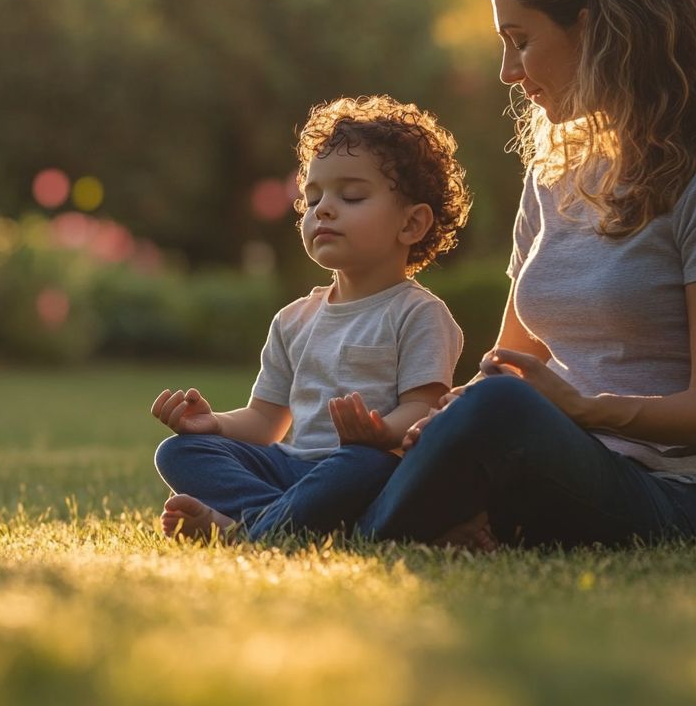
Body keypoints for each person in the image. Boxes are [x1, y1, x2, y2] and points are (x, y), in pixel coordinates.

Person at [357, 0, 696, 549]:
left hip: (674, 492)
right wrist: (439, 421)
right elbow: (509, 364)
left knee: (499, 410)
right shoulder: (555, 171)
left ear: (601, 28)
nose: (509, 72)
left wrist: (579, 410)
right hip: (550, 464)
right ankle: (351, 512)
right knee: (380, 440)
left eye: (522, 41)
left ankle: (327, 533)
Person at [152, 94, 471, 541]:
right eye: (312, 196)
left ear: (412, 224)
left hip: (364, 468)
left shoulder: (420, 314)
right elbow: (266, 422)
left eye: (352, 195)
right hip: (290, 467)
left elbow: (423, 410)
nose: (323, 208)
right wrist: (215, 424)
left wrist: (380, 433)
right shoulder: (293, 320)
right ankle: (290, 521)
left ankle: (248, 531)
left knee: (362, 464)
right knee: (179, 452)